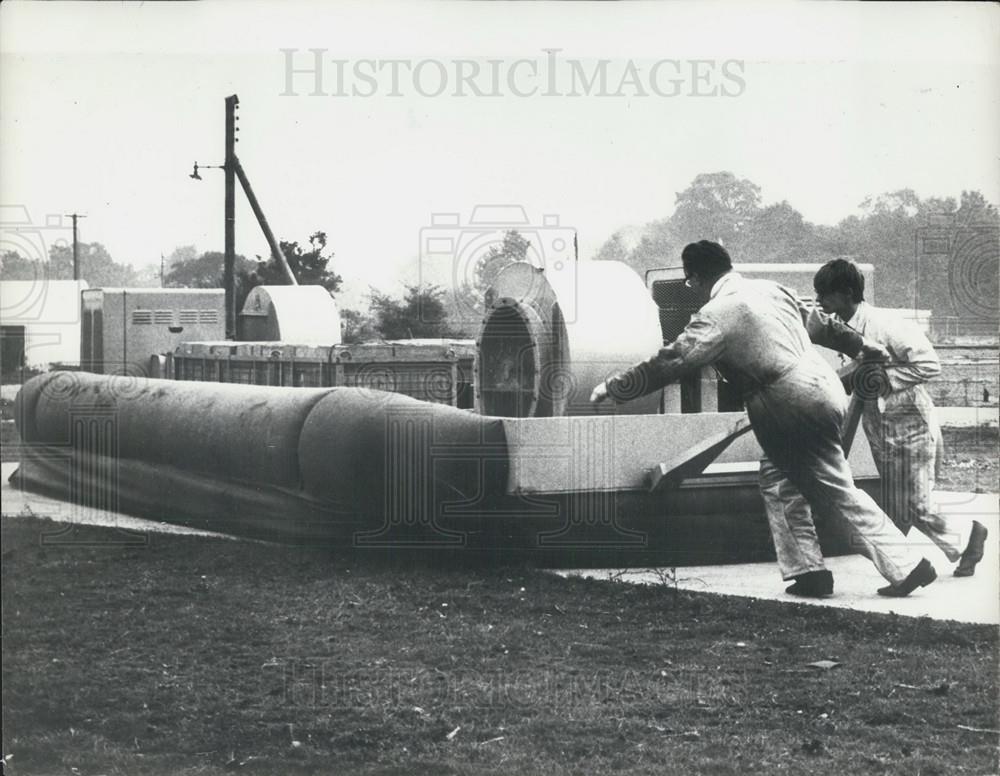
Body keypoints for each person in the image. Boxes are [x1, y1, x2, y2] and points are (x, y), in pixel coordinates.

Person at [590, 240, 938, 597]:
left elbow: (674, 360)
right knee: (779, 481)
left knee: (833, 489)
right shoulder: (771, 290)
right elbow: (821, 325)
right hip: (825, 387)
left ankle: (906, 565)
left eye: (691, 282)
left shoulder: (716, 314)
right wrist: (861, 346)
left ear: (696, 278)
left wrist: (617, 386)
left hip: (787, 403)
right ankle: (808, 571)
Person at [811, 258, 987, 577]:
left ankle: (966, 540)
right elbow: (861, 369)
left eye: (825, 293)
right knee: (899, 504)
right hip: (879, 426)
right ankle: (914, 567)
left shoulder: (887, 324)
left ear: (847, 292)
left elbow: (930, 364)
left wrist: (886, 380)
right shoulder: (843, 329)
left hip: (911, 424)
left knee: (915, 503)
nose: (819, 300)